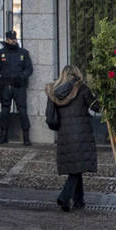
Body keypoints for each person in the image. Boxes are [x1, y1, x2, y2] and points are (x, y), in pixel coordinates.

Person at [45, 65, 97, 211]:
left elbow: (50, 116)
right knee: (76, 169)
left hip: (64, 134)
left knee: (76, 167)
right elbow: (96, 106)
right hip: (81, 134)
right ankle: (64, 197)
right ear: (77, 74)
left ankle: (79, 201)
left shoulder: (53, 91)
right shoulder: (82, 89)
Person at [0, 30, 33, 145]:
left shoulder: (23, 53)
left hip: (19, 86)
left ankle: (26, 137)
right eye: (11, 39)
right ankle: (3, 136)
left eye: (15, 38)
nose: (14, 40)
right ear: (7, 39)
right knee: (5, 111)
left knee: (23, 111)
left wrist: (22, 77)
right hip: (6, 86)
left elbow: (29, 69)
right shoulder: (0, 53)